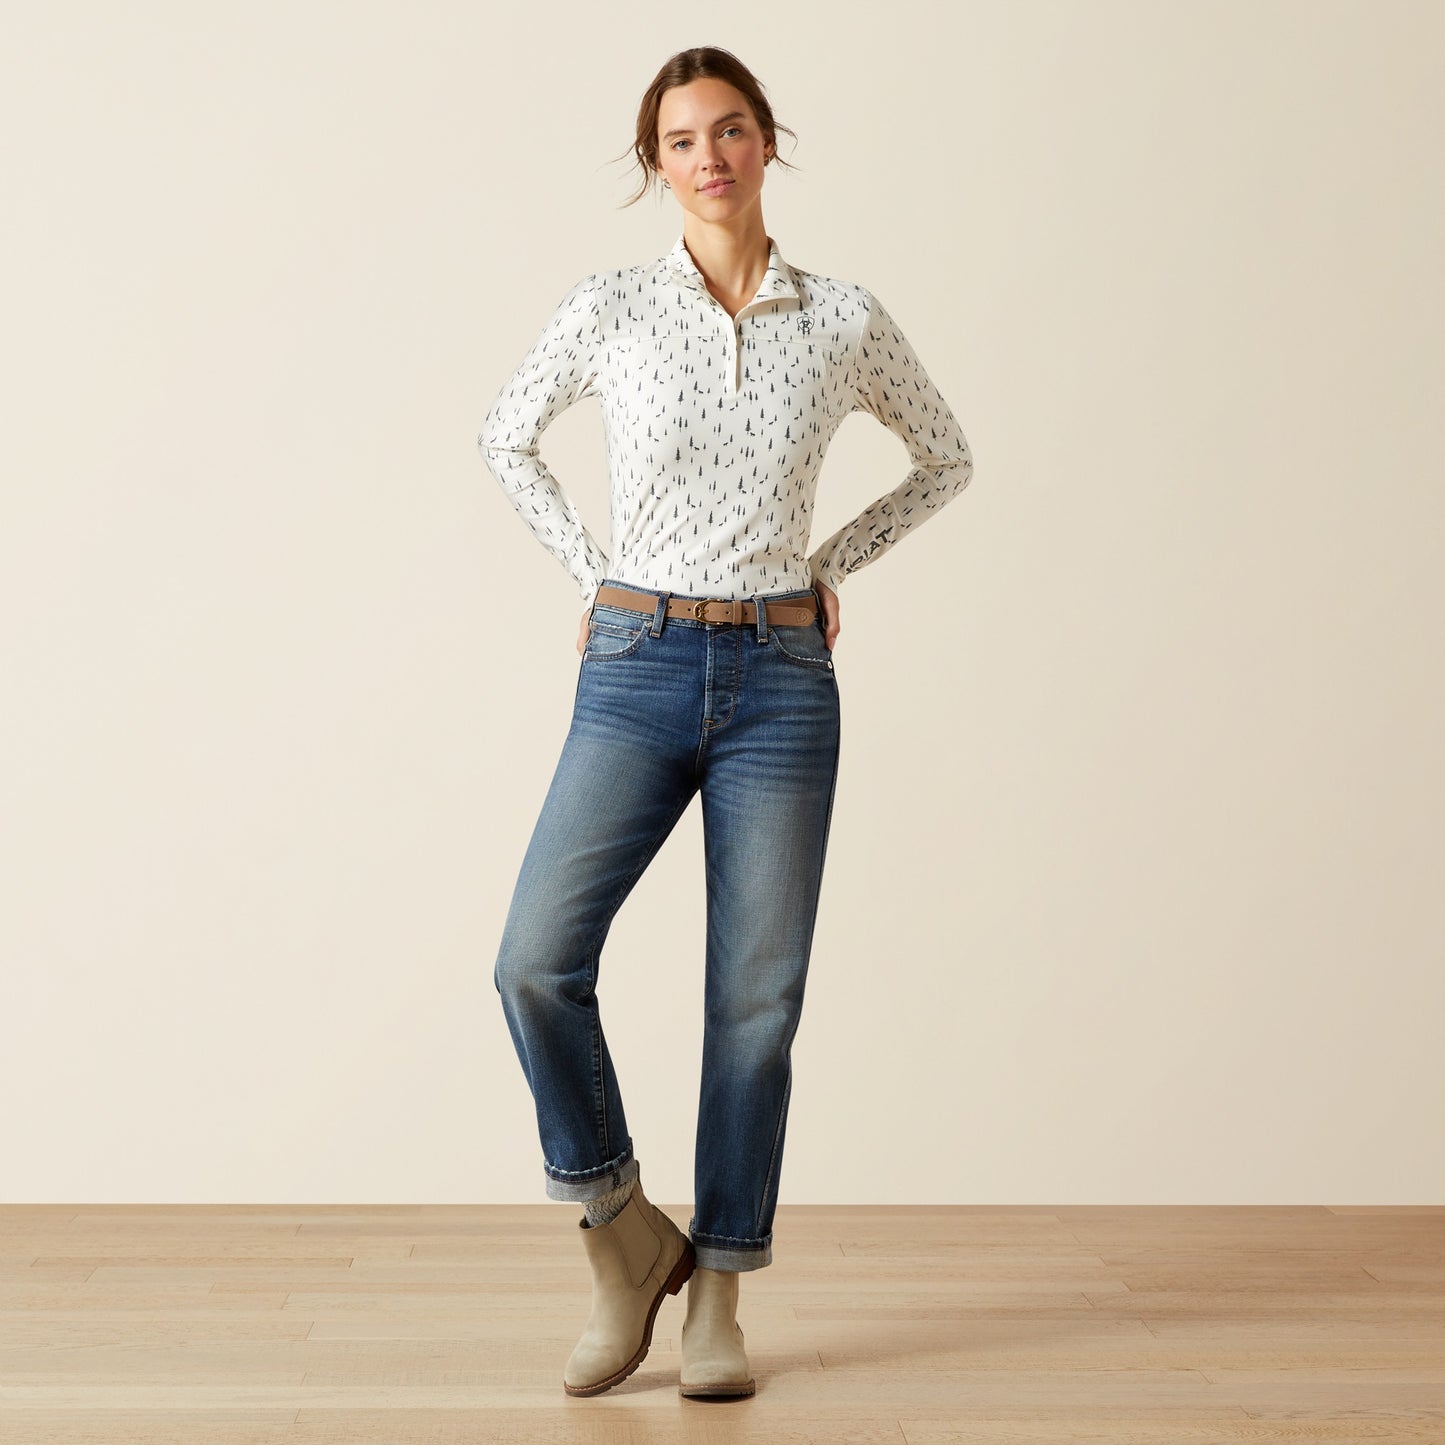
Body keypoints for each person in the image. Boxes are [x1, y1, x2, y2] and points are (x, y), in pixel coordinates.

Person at [477, 46, 974, 1401]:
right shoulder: (612, 307)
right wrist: (592, 574)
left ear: (769, 145)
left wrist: (831, 565)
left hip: (777, 680)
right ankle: (624, 1235)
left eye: (731, 130)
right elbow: (504, 434)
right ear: (655, 166)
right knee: (534, 960)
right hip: (635, 657)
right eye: (680, 139)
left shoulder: (843, 317)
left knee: (753, 1004)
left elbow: (946, 454)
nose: (708, 156)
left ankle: (722, 1300)